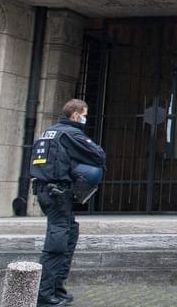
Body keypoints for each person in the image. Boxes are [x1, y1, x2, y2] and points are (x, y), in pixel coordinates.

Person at [30, 99, 106, 307]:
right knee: (57, 242)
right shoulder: (71, 133)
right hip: (57, 193)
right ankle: (45, 295)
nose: (85, 118)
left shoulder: (50, 132)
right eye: (85, 114)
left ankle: (57, 288)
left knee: (69, 232)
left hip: (47, 191)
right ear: (75, 115)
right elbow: (98, 155)